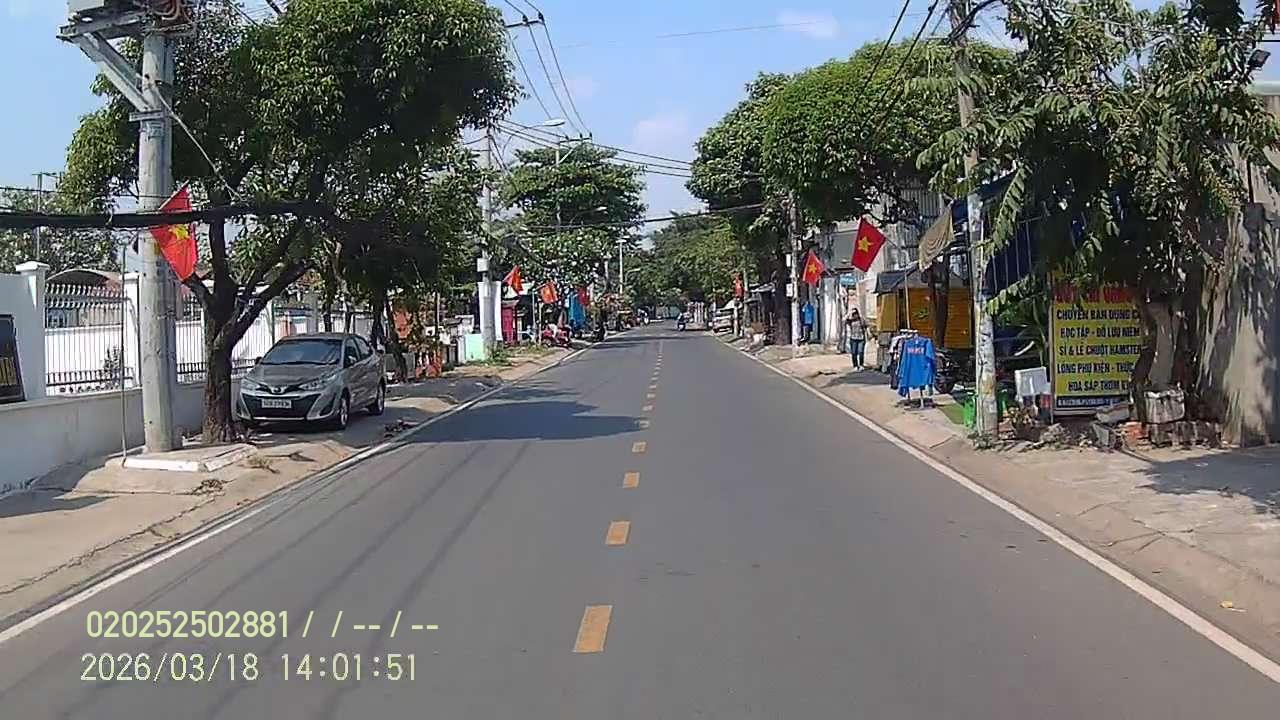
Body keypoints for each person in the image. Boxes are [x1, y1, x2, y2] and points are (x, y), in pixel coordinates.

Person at [845, 302, 868, 370]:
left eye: (856, 313)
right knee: (854, 353)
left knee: (860, 352)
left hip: (861, 338)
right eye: (854, 314)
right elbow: (844, 320)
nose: (855, 315)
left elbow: (866, 327)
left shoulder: (861, 320)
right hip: (853, 338)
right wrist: (849, 313)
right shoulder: (851, 321)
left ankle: (861, 365)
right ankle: (855, 365)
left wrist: (868, 335)